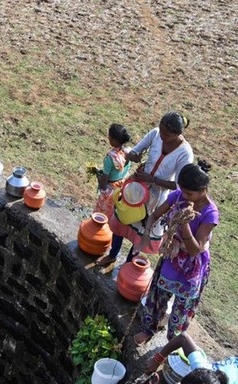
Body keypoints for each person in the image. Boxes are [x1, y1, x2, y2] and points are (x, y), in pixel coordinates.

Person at [135, 161, 217, 345]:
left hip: (192, 268)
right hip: (171, 258)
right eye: (183, 191)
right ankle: (149, 329)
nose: (185, 196)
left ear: (203, 189)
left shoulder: (210, 214)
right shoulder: (178, 197)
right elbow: (155, 215)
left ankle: (172, 345)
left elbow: (195, 249)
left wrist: (184, 223)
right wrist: (146, 236)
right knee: (157, 296)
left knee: (181, 310)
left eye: (190, 193)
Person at [105, 111, 194, 264]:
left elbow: (179, 186)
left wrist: (153, 180)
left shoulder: (185, 153)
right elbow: (134, 151)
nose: (162, 136)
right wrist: (134, 156)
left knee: (140, 232)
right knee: (122, 219)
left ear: (178, 134)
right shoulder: (155, 133)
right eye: (161, 131)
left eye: (166, 135)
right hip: (138, 187)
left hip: (157, 197)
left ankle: (128, 264)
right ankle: (112, 255)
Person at [93, 123, 132, 220]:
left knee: (101, 218)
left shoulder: (110, 158)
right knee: (114, 218)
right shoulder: (128, 153)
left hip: (109, 194)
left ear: (113, 139)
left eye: (109, 136)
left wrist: (98, 174)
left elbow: (103, 183)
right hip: (121, 191)